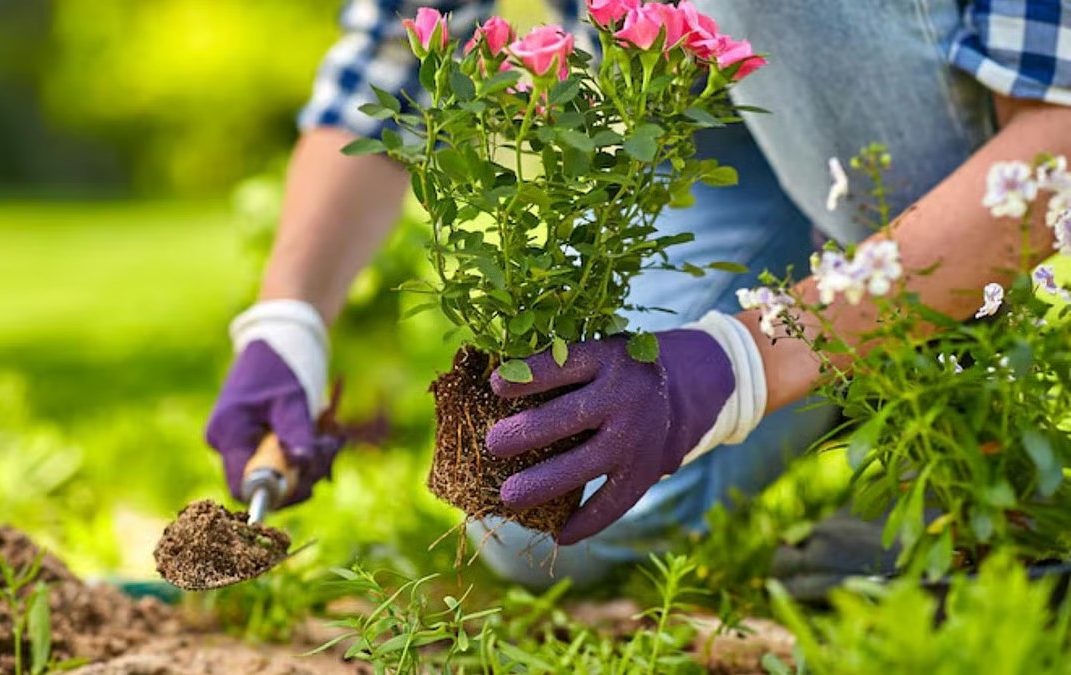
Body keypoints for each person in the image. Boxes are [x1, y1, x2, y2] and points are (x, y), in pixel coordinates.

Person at [205, 0, 1071, 588]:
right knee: (532, 519)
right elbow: (391, 63)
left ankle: (974, 448)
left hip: (968, 152)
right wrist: (288, 319)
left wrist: (741, 362)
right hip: (710, 129)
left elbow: (1057, 140)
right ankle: (847, 357)